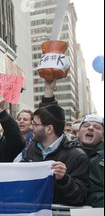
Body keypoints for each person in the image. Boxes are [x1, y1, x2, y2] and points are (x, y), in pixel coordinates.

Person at [21, 79, 89, 207]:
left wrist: (64, 179)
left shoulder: (77, 156)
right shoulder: (31, 149)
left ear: (49, 129)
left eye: (34, 124)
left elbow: (80, 198)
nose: (31, 128)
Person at [77, 115, 104, 208]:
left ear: (103, 137)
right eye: (86, 126)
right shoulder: (66, 152)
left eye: (97, 127)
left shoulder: (101, 159)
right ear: (78, 133)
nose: (91, 128)